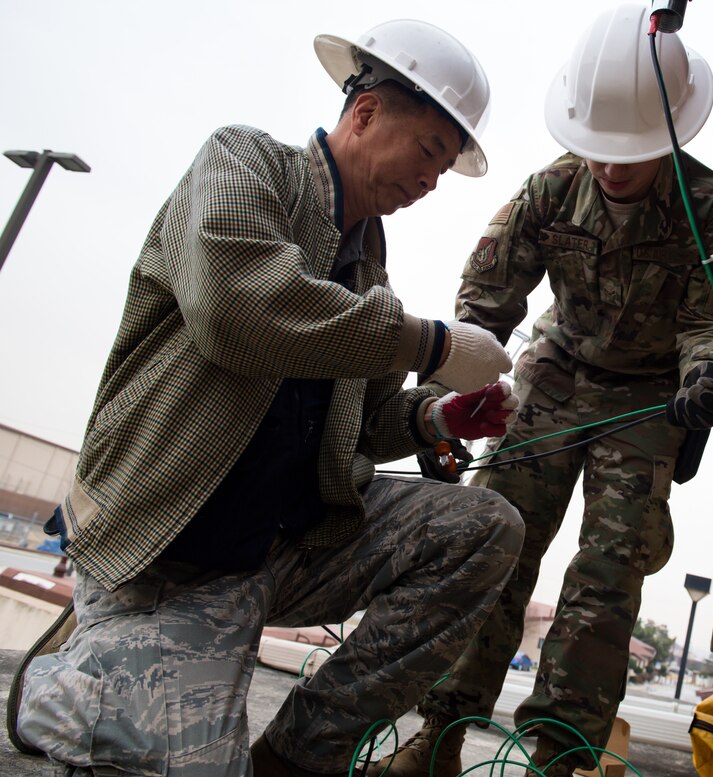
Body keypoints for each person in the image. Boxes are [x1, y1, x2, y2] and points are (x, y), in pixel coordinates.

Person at [9, 18, 527, 777]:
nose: (430, 180)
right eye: (427, 152)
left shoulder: (367, 277)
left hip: (277, 545)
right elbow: (239, 307)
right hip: (173, 548)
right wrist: (434, 346)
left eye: (444, 169)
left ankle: (296, 759)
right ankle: (78, 687)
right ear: (366, 113)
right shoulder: (242, 165)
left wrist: (434, 414)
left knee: (483, 527)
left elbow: (361, 420)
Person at [381, 4, 713, 776]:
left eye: (630, 151)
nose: (611, 167)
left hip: (650, 399)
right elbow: (484, 304)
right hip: (554, 376)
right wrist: (444, 404)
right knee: (493, 539)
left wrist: (710, 378)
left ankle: (560, 754)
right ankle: (440, 737)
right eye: (599, 148)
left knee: (606, 575)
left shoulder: (712, 209)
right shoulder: (551, 191)